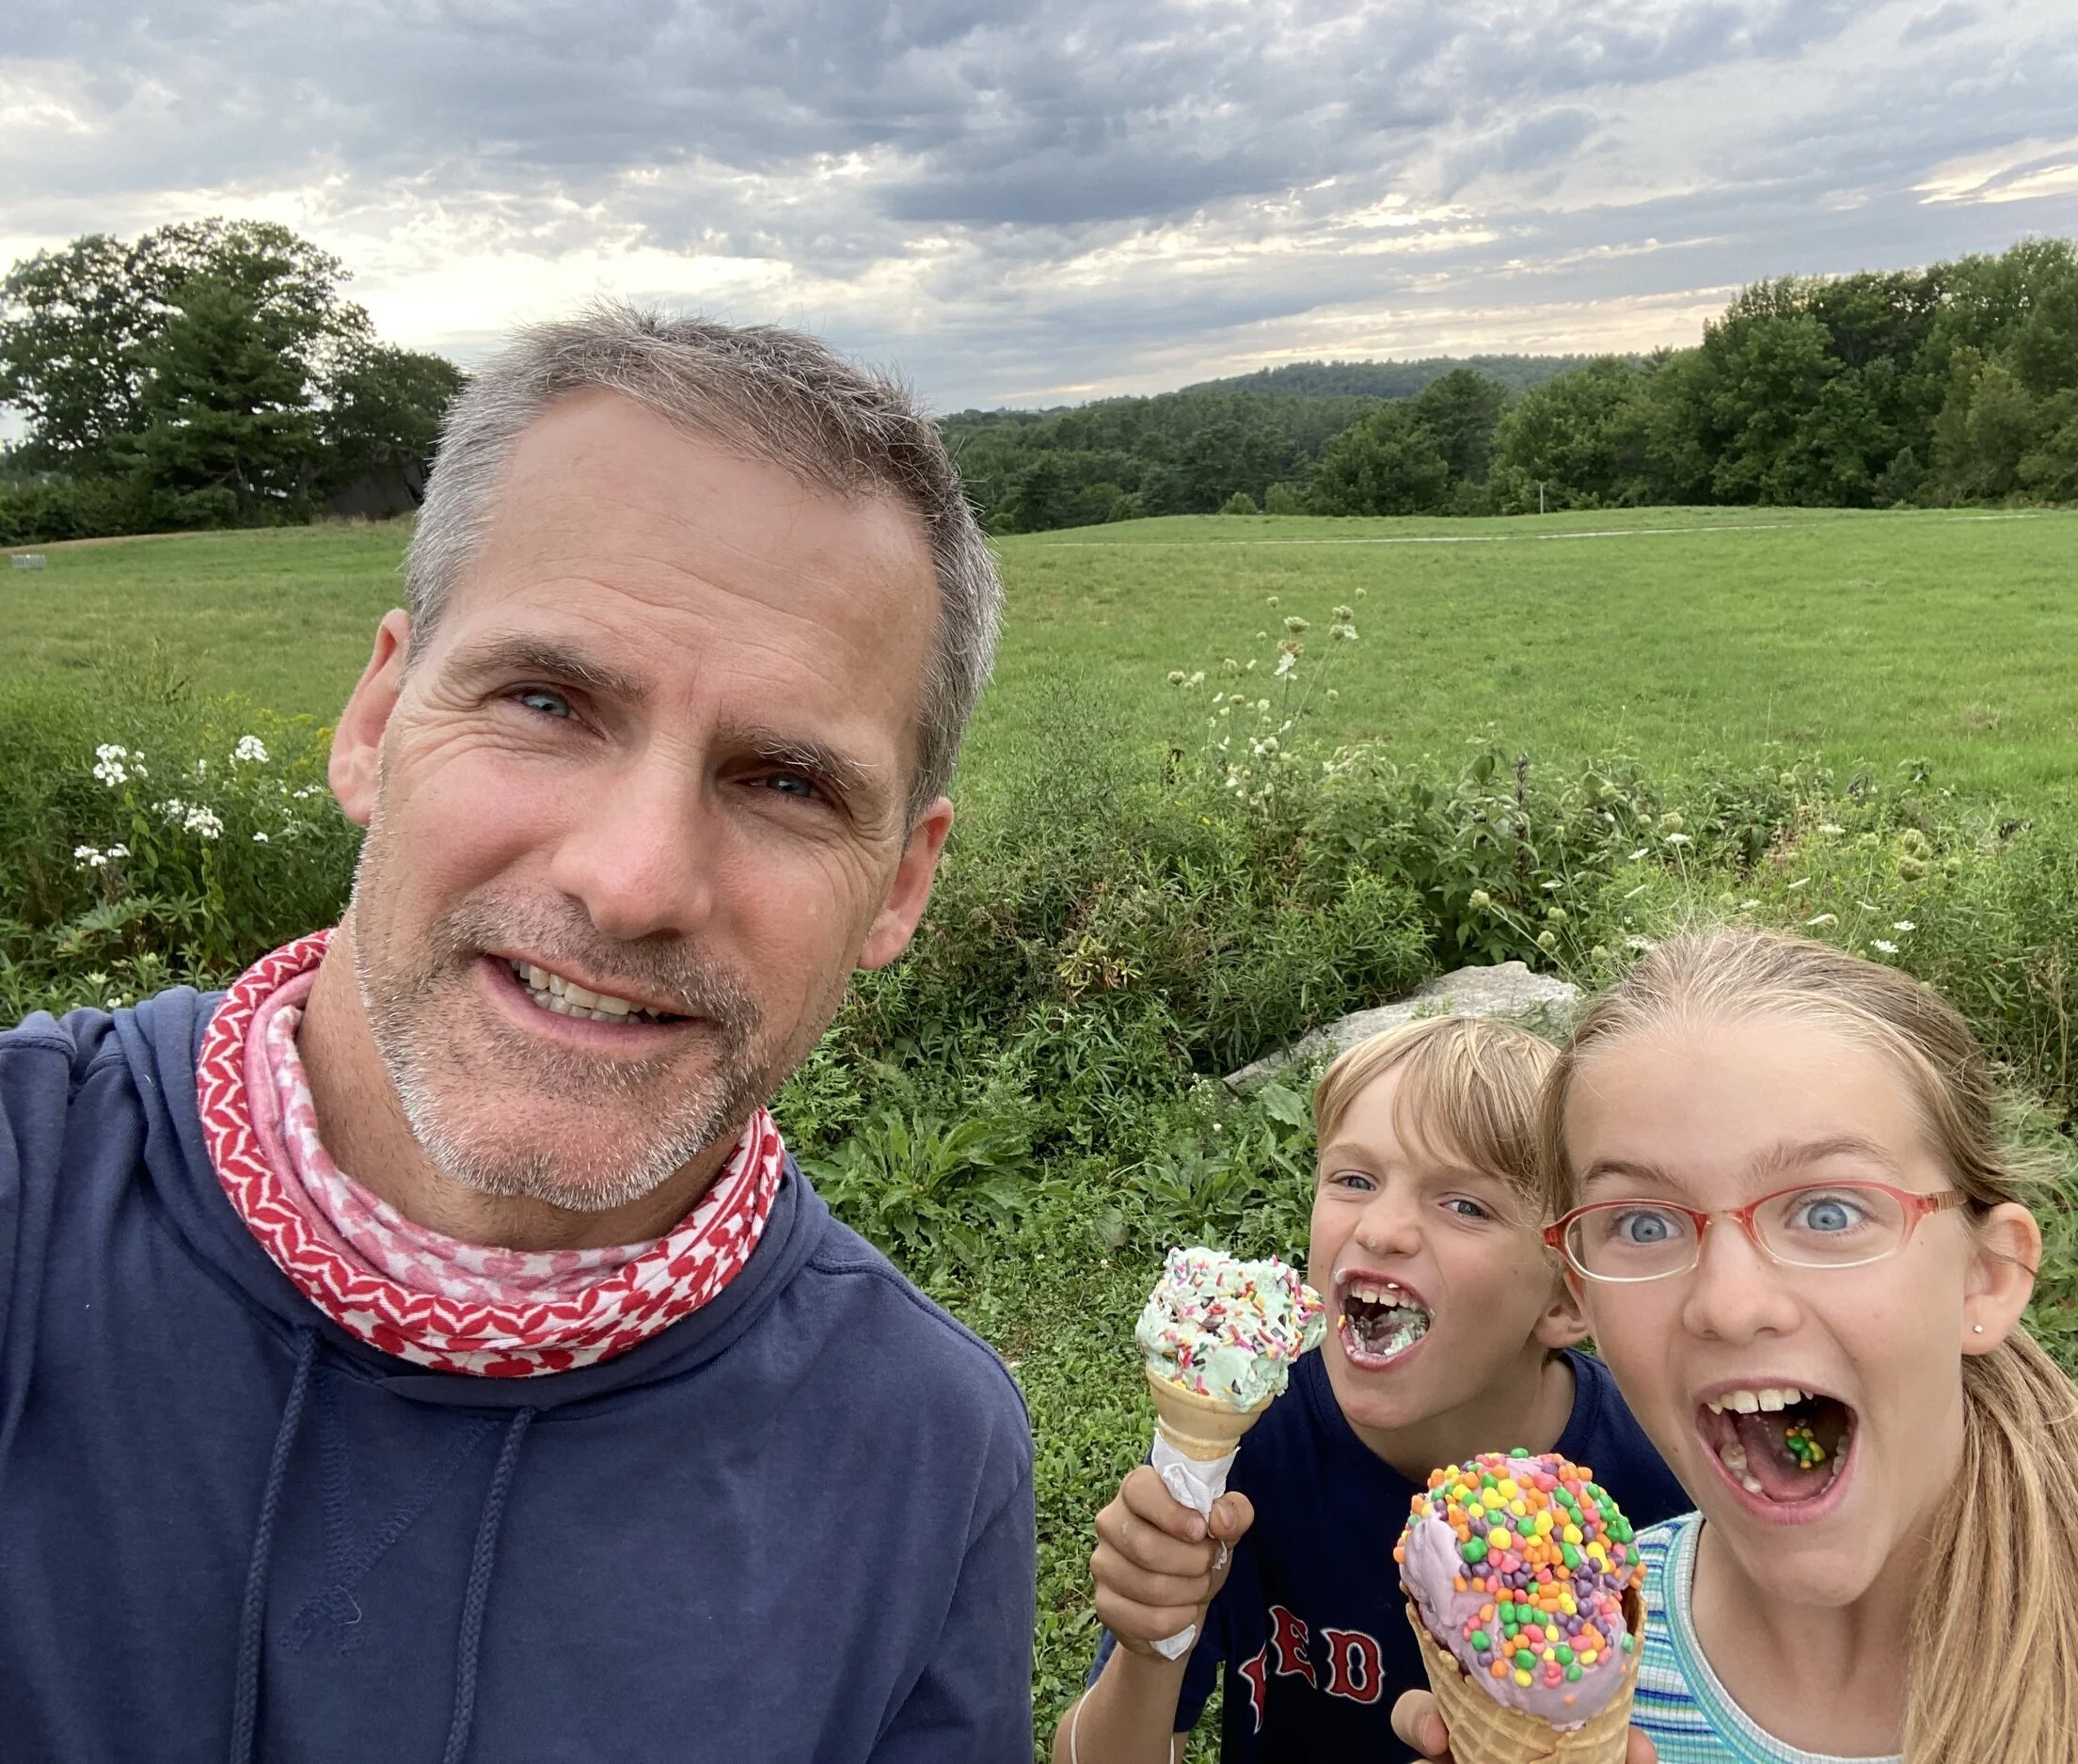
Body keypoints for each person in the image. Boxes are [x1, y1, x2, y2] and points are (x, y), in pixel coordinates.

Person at [0, 307, 1036, 1761]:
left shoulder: (926, 1455)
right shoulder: (26, 1196)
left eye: (787, 781)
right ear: (377, 719)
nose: (633, 880)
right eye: (547, 700)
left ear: (902, 884)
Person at [1395, 929, 2078, 1764]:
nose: (1729, 1304)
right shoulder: (1554, 1660)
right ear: (1581, 1297)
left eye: (1827, 1211)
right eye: (1642, 1224)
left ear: (1985, 1275)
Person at [1061, 1014, 1689, 1762]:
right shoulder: (1253, 1440)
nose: (1382, 1228)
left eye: (1465, 1204)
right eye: (1354, 1179)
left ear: (1567, 1296)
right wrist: (1152, 1646)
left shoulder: (1658, 1480)